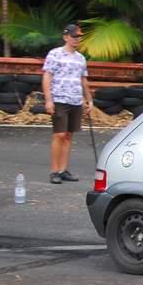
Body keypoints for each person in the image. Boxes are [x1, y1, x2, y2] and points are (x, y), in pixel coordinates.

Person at [42, 23, 92, 184]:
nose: (77, 39)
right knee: (59, 134)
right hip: (59, 99)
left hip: (75, 100)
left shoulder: (81, 58)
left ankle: (63, 169)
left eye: (79, 36)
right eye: (74, 36)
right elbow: (47, 77)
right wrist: (49, 100)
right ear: (66, 37)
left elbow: (84, 80)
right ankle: (54, 170)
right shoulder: (55, 54)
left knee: (69, 135)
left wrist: (89, 99)